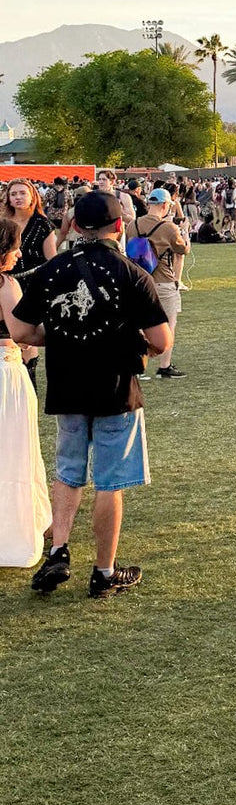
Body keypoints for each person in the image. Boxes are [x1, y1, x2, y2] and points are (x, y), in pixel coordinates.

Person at [6, 191, 173, 597]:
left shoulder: (52, 270)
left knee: (68, 473)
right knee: (109, 483)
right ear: (119, 226)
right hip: (117, 389)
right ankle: (103, 572)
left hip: (67, 383)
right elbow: (161, 340)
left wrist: (60, 337)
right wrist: (137, 344)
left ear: (75, 226)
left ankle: (59, 549)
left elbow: (22, 332)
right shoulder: (133, 273)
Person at [0, 218, 52, 567]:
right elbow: (24, 334)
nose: (20, 254)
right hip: (5, 372)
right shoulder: (5, 286)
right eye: (16, 247)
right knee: (12, 450)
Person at [126, 188, 190, 379]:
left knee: (137, 324)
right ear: (165, 205)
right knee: (169, 324)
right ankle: (164, 365)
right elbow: (182, 250)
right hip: (163, 280)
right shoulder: (168, 227)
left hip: (138, 280)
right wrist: (184, 231)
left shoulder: (133, 224)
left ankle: (137, 365)